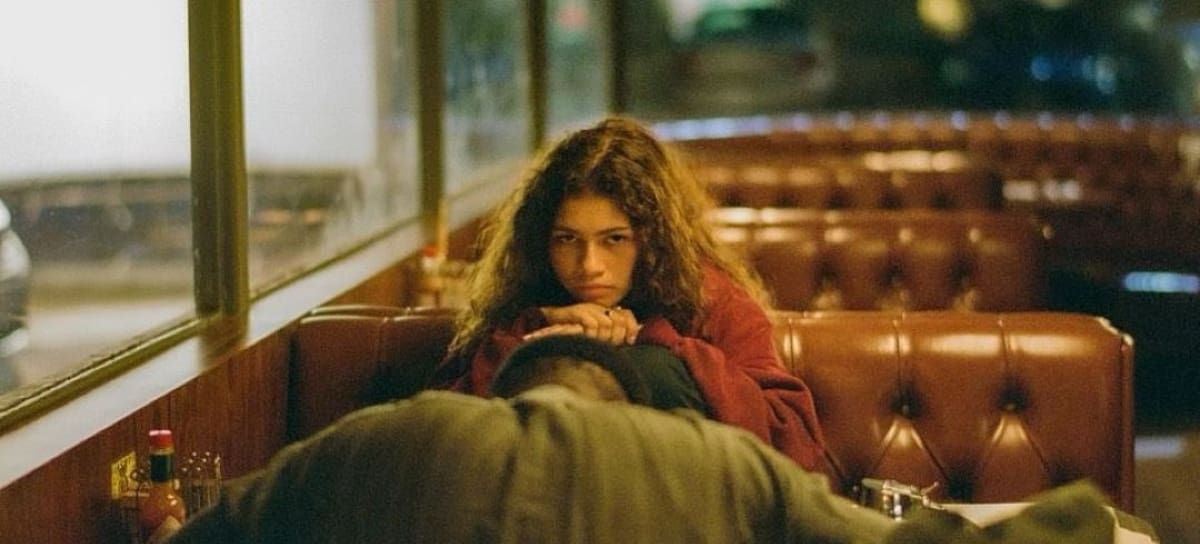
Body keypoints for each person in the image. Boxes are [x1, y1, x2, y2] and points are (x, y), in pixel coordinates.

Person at [165, 335, 1140, 544]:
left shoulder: (374, 443)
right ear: (626, 406)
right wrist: (1088, 520)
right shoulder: (714, 463)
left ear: (502, 395)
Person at [431, 116, 826, 470]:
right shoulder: (527, 291)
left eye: (615, 239)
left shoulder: (711, 296)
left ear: (653, 240)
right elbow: (442, 435)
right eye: (567, 239)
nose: (589, 265)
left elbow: (792, 439)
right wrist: (535, 332)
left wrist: (654, 340)